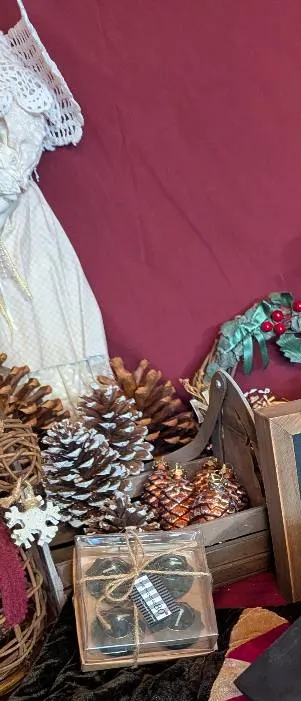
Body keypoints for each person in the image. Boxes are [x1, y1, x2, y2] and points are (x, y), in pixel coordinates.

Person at [0, 2, 110, 406]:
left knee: (44, 323)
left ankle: (71, 430)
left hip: (19, 230)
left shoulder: (5, 67)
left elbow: (24, 133)